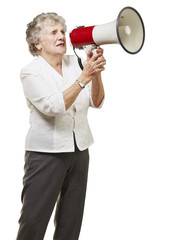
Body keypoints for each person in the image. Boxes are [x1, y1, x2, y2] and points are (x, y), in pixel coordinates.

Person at [16, 12, 106, 240]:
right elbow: (54, 106)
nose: (61, 36)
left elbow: (97, 101)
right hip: (46, 155)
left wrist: (95, 74)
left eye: (63, 32)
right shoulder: (30, 72)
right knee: (33, 222)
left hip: (79, 150)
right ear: (37, 43)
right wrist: (85, 76)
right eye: (53, 32)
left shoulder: (74, 63)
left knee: (71, 222)